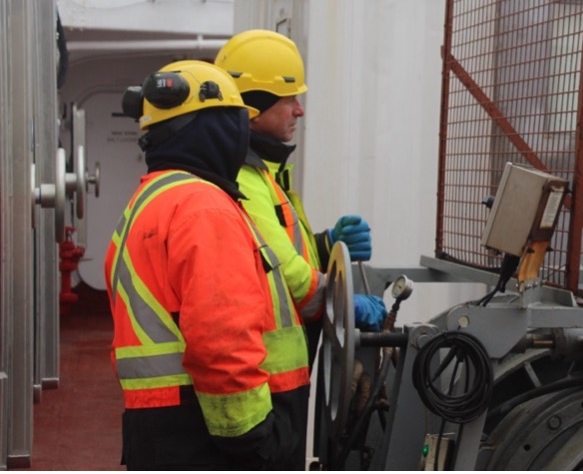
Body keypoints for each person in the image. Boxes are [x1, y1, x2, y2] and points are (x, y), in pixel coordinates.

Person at [105, 60, 310, 469]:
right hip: (212, 441)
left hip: (166, 433)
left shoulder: (151, 200)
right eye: (237, 122)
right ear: (215, 128)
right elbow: (220, 339)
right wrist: (253, 439)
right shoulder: (203, 208)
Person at [214, 29, 386, 364]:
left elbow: (272, 252)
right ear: (253, 107)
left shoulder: (264, 171)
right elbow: (286, 276)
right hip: (264, 375)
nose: (299, 110)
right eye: (288, 98)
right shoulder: (243, 181)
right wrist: (345, 302)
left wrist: (327, 244)